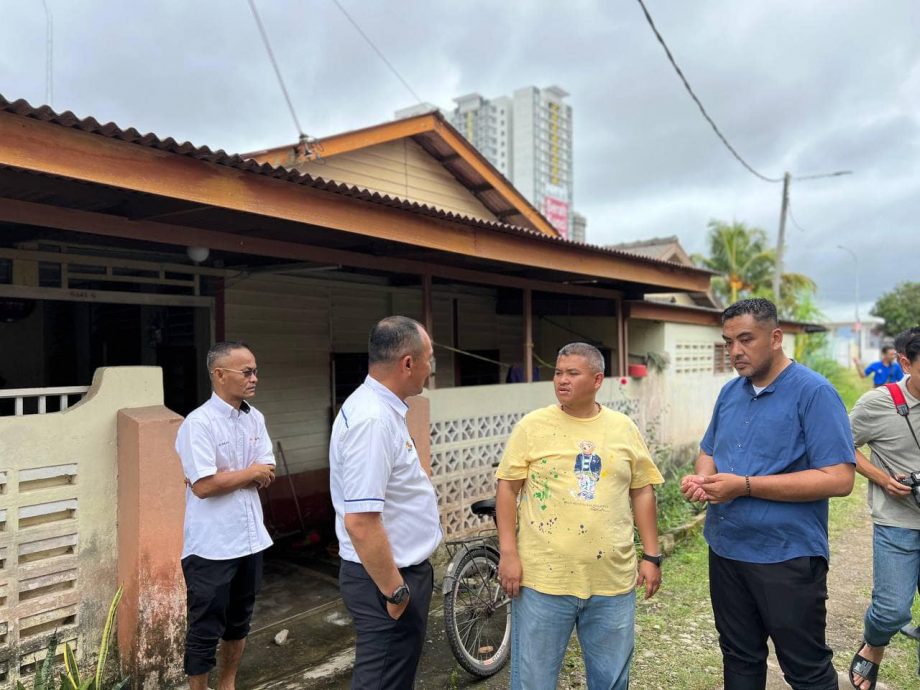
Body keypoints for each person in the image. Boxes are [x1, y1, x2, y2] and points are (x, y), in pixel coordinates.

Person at [681, 298, 855, 690]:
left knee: (805, 669)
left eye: (746, 339)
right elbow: (709, 450)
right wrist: (702, 479)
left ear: (775, 337)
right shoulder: (731, 392)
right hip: (726, 549)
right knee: (740, 658)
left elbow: (840, 478)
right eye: (728, 342)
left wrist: (744, 486)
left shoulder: (814, 393)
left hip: (786, 555)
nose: (735, 352)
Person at [496, 342, 664, 690]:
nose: (562, 380)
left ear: (598, 379)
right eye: (558, 372)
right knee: (533, 680)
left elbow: (642, 490)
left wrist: (651, 555)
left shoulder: (622, 428)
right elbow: (507, 489)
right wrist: (508, 553)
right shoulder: (533, 426)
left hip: (612, 580)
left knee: (611, 680)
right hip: (544, 578)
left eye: (573, 373)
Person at [329, 315, 441, 689]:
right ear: (408, 363)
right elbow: (360, 521)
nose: (431, 368)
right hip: (386, 578)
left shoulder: (382, 410)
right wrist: (396, 592)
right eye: (429, 358)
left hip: (395, 573)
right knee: (382, 681)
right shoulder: (373, 420)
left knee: (394, 676)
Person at [176, 341, 276, 690]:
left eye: (255, 371)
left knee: (240, 621)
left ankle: (227, 684)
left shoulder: (255, 418)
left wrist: (233, 476)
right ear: (219, 375)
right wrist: (249, 473)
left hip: (250, 539)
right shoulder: (198, 424)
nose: (254, 379)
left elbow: (268, 467)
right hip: (211, 547)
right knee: (205, 626)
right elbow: (203, 486)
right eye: (246, 372)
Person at [848, 330, 920, 690]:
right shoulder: (876, 403)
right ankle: (874, 644)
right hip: (898, 521)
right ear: (905, 363)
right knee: (892, 610)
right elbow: (840, 444)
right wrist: (882, 477)